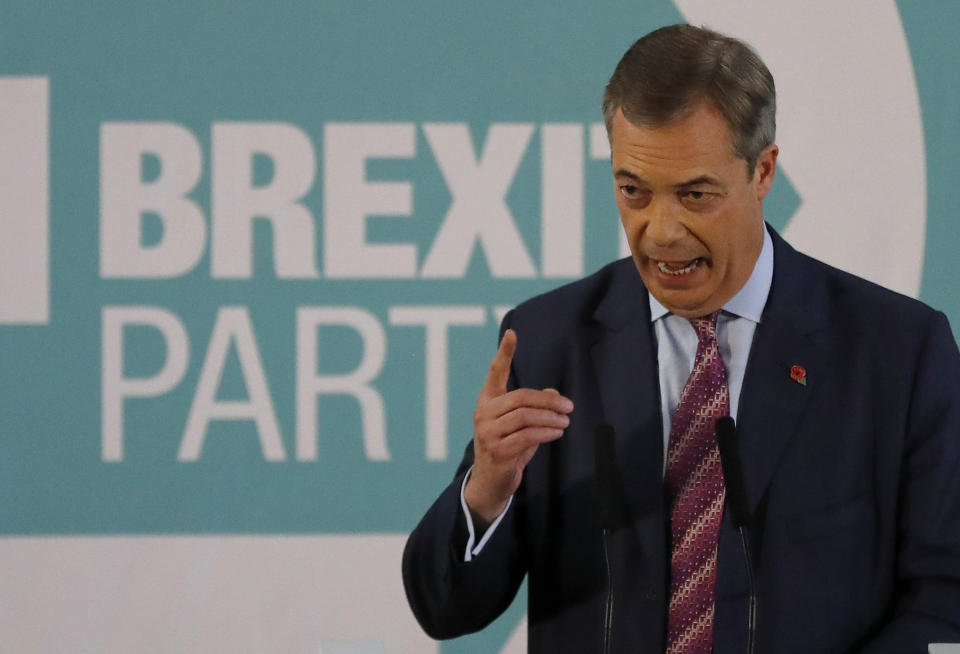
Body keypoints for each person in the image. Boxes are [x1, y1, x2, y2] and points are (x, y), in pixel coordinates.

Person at [402, 24, 960, 653]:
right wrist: (486, 489)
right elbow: (443, 608)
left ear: (762, 172)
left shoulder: (896, 353)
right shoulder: (548, 342)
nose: (660, 231)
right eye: (632, 192)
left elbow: (944, 601)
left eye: (695, 195)